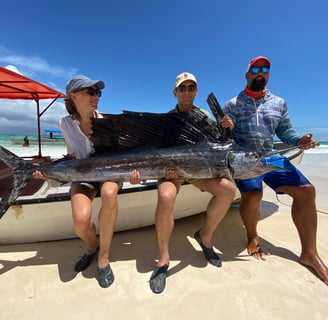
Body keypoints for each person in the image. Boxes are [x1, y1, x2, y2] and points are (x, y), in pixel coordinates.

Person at [222, 56, 328, 285]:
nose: (261, 72)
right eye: (256, 69)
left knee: (307, 191)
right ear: (247, 74)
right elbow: (224, 141)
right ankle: (252, 236)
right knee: (253, 194)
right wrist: (228, 130)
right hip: (244, 159)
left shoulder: (279, 102)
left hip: (271, 157)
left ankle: (309, 253)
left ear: (268, 74)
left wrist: (299, 140)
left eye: (265, 69)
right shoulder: (231, 104)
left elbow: (285, 132)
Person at [33, 75, 141, 288]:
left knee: (109, 194)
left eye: (97, 92)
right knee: (81, 221)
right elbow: (72, 157)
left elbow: (120, 156)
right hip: (82, 175)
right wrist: (49, 171)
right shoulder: (65, 123)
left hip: (110, 175)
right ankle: (92, 247)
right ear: (73, 95)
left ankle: (104, 257)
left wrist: (134, 175)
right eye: (90, 92)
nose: (96, 96)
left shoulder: (106, 123)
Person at [149, 72, 236, 294]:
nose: (187, 92)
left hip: (199, 170)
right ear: (175, 93)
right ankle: (163, 259)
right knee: (165, 196)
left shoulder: (205, 116)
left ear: (196, 91)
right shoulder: (167, 120)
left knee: (228, 190)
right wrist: (165, 170)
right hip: (172, 171)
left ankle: (204, 237)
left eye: (191, 88)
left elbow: (223, 146)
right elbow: (158, 151)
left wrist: (229, 129)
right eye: (182, 88)